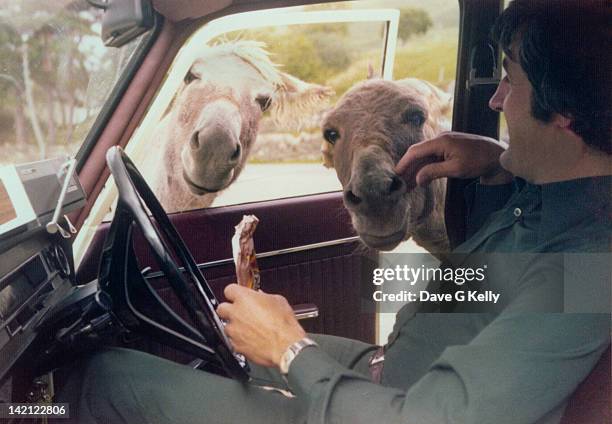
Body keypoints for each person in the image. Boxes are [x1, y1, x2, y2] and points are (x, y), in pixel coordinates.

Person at [56, 1, 611, 423]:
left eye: (509, 81)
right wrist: (495, 165)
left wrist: (290, 349)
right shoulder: (544, 202)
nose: (494, 102)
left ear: (563, 113)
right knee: (210, 338)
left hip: (396, 407)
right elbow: (489, 292)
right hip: (388, 368)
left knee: (108, 376)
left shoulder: (591, 265)